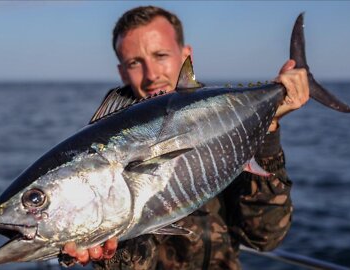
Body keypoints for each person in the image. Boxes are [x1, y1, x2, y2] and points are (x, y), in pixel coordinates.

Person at [59, 5, 309, 269]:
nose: (152, 74)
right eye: (135, 62)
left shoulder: (223, 125)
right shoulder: (98, 155)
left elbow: (266, 237)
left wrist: (267, 130)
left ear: (186, 55)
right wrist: (110, 251)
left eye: (161, 55)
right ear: (123, 72)